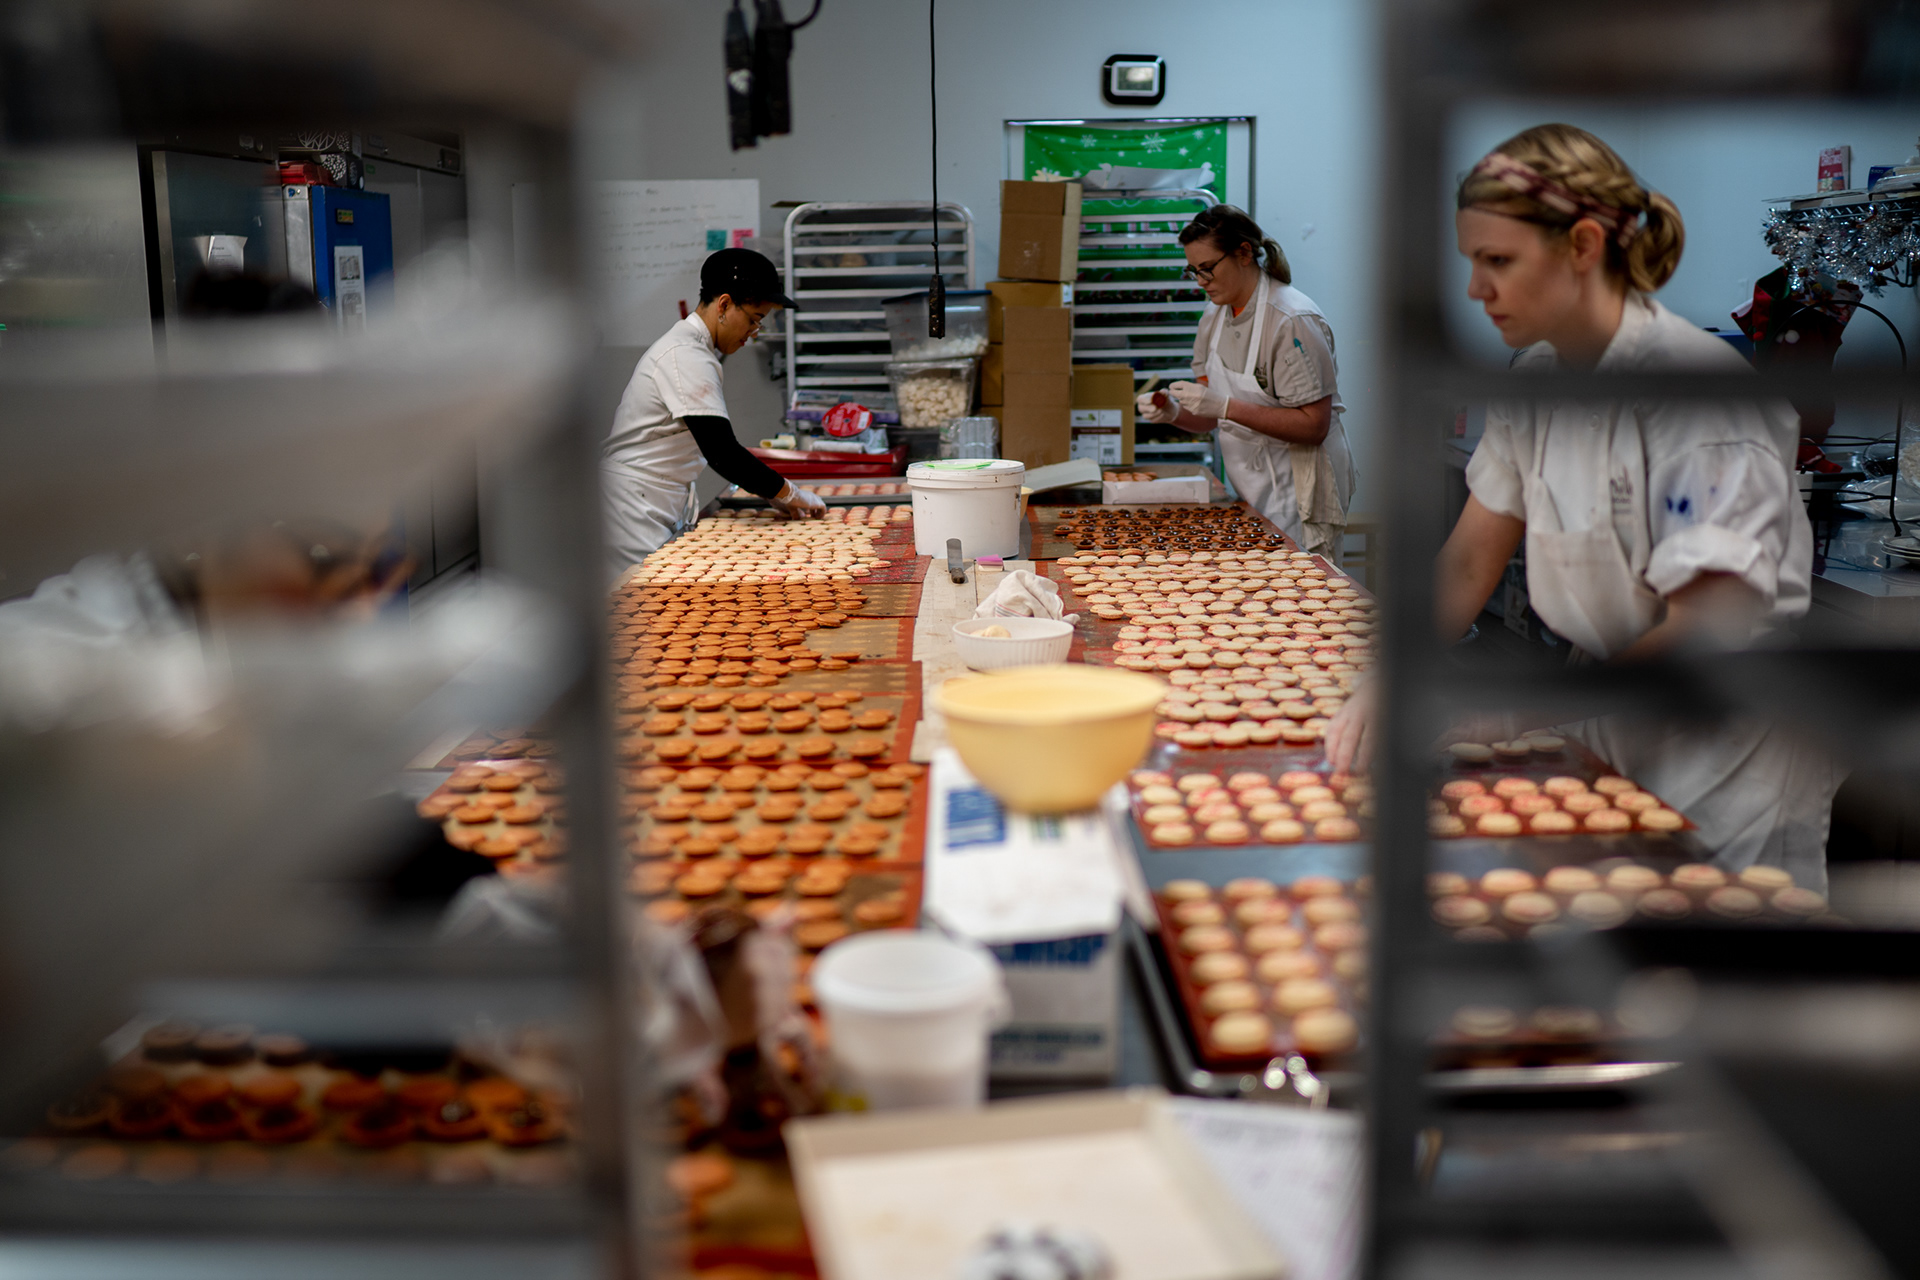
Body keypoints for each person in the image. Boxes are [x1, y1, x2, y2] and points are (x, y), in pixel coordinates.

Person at [1326, 123, 1842, 889]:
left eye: (1498, 261)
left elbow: (1707, 623)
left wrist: (1516, 708)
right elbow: (1470, 556)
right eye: (1473, 262)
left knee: (1703, 954)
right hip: (1605, 712)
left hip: (1725, 753)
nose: (1476, 289)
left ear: (1584, 246)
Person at [1134, 206, 1356, 556]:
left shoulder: (1291, 320)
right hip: (1251, 489)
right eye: (1192, 270)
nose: (1200, 281)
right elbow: (1213, 416)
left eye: (1207, 268)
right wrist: (1175, 412)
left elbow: (1314, 425)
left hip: (1297, 491)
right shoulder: (1215, 316)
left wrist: (1225, 405)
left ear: (1243, 253)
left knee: (1299, 596)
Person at [602, 248, 825, 574]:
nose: (754, 333)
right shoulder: (685, 355)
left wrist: (776, 494)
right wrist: (788, 494)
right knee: (638, 612)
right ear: (724, 305)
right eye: (753, 319)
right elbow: (722, 452)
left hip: (654, 497)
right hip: (632, 507)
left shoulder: (695, 350)